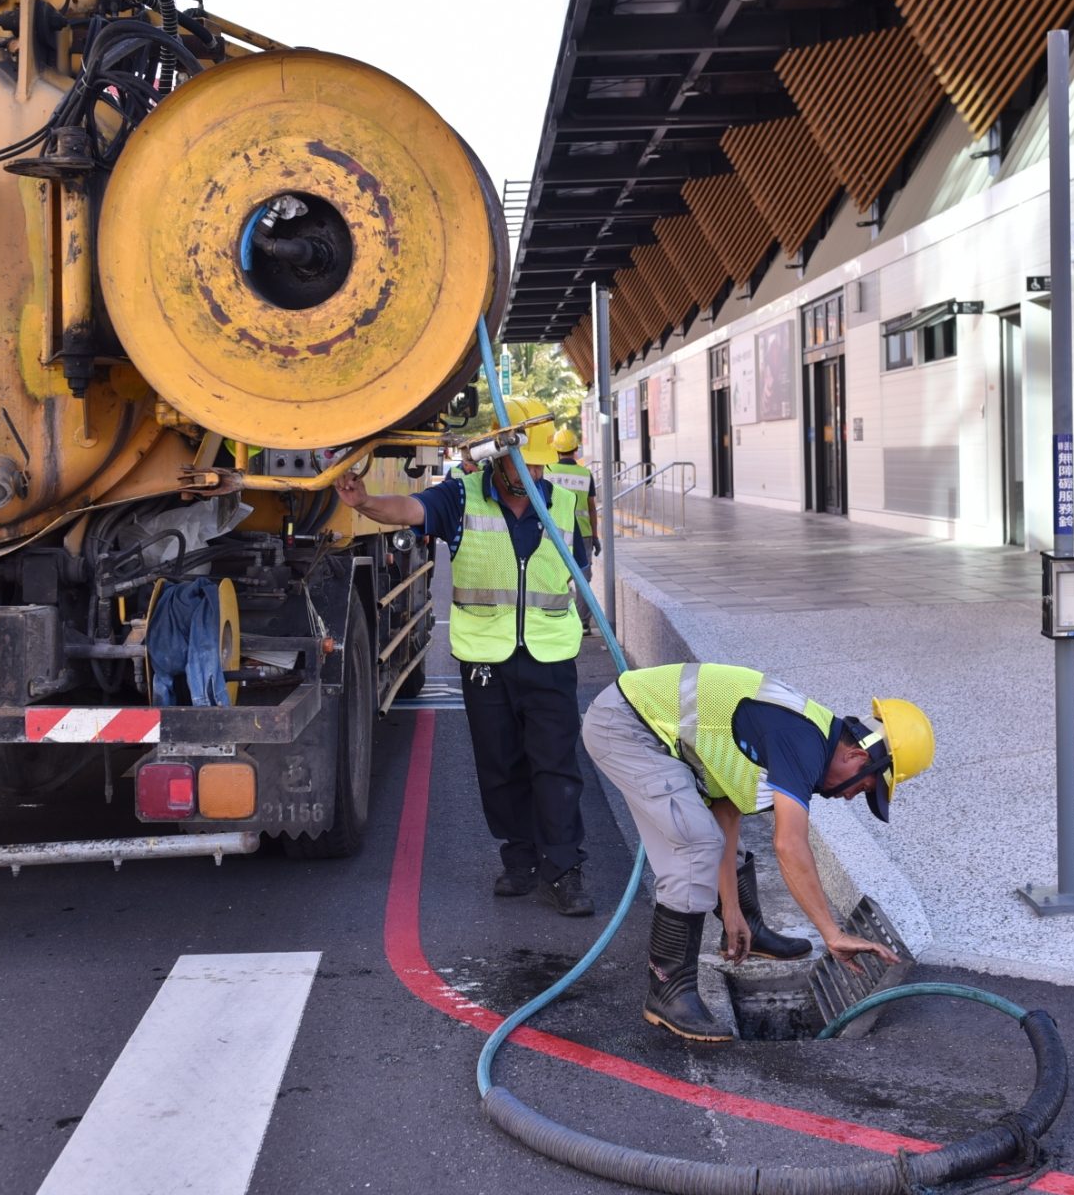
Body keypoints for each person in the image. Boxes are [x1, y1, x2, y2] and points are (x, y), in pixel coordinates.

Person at [334, 397, 596, 914]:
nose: (532, 471)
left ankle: (563, 870)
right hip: (486, 661)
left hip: (549, 658)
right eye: (522, 461)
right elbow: (410, 509)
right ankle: (519, 860)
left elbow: (578, 568)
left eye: (539, 463)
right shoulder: (461, 497)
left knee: (556, 768)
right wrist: (364, 502)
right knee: (500, 766)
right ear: (498, 455)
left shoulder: (561, 504)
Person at [580, 661, 934, 1041]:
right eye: (864, 787)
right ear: (858, 757)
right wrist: (832, 933)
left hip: (645, 724)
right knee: (695, 844)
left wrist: (731, 911)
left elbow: (727, 810)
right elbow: (789, 844)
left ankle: (748, 931)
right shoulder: (802, 743)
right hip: (626, 727)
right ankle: (668, 991)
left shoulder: (812, 735)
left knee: (712, 836)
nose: (852, 796)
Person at [544, 427, 600, 630]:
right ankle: (583, 624)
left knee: (552, 575)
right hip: (583, 534)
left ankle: (553, 618)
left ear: (555, 450)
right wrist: (595, 536)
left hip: (553, 533)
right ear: (576, 449)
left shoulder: (547, 471)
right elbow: (592, 507)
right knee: (583, 580)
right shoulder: (585, 473)